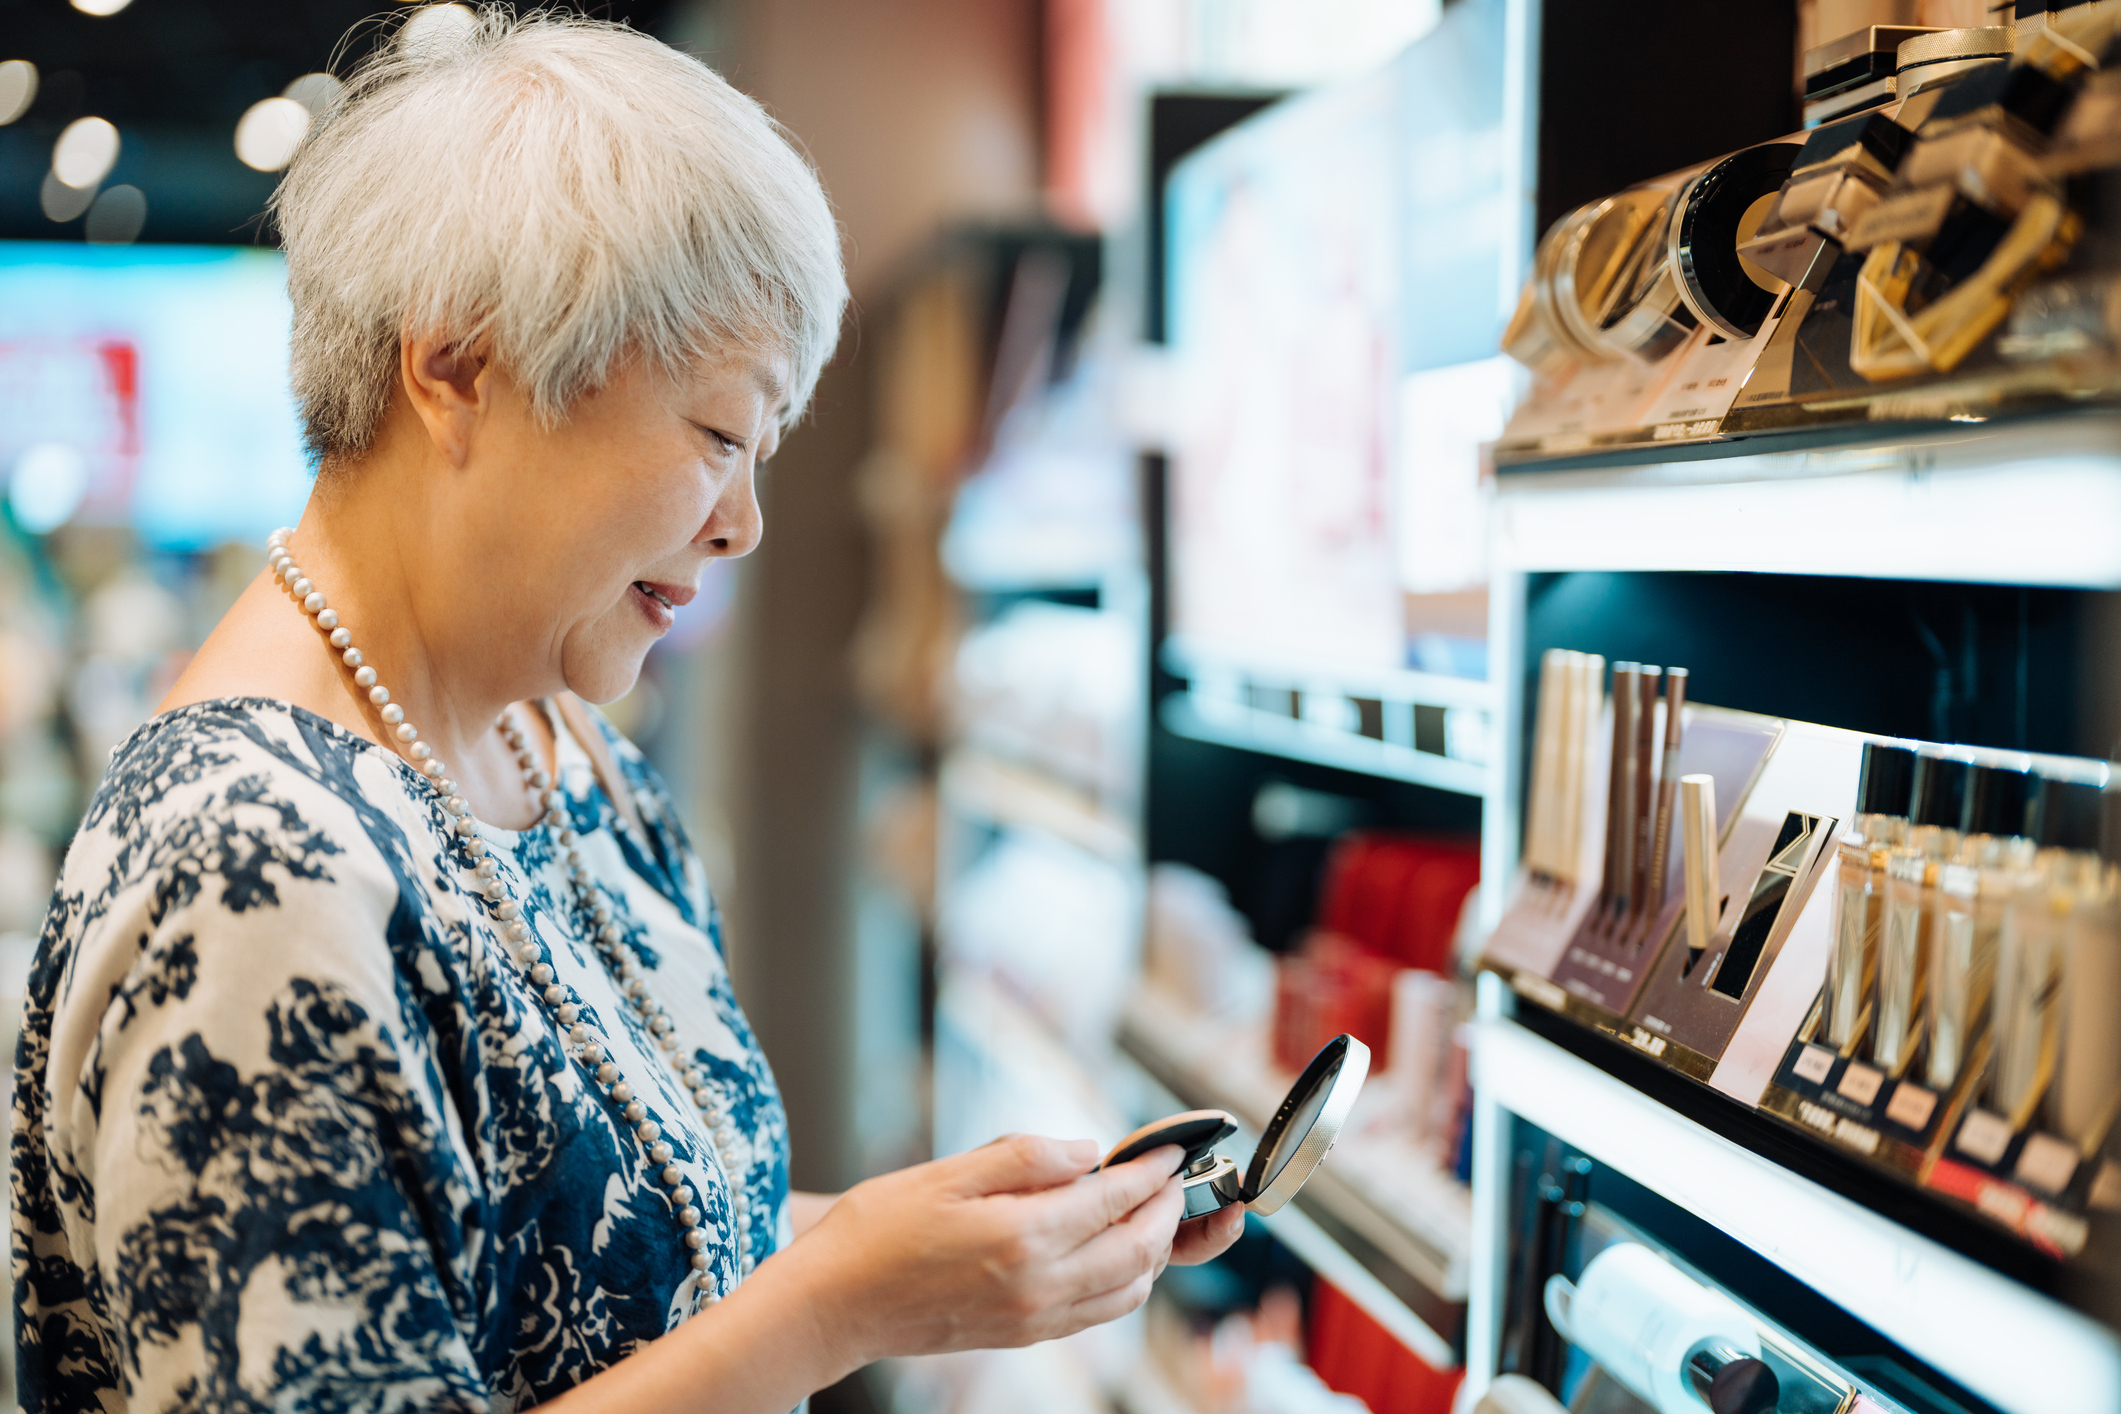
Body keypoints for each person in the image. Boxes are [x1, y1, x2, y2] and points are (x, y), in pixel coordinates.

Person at [11, 12, 1243, 1411]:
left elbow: (620, 1256)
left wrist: (945, 1250)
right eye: (718, 436)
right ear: (458, 367)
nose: (745, 523)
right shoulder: (246, 871)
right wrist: (841, 1301)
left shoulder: (557, 742)